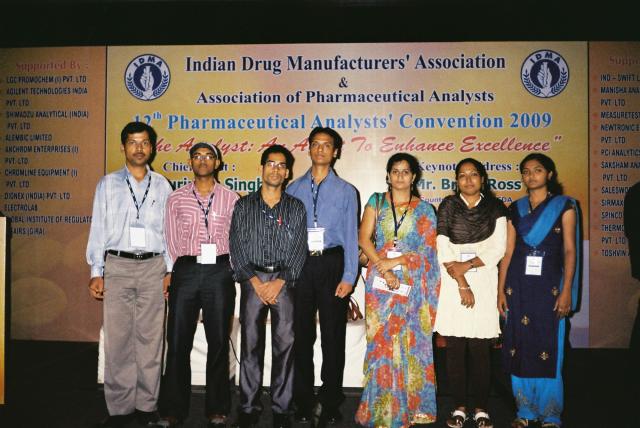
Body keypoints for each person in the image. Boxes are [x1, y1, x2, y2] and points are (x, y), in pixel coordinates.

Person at [86, 122, 173, 428]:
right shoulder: (107, 184)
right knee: (119, 340)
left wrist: (170, 269)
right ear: (123, 147)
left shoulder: (162, 185)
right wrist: (96, 271)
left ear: (152, 147)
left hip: (153, 267)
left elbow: (169, 232)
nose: (139, 148)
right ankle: (120, 409)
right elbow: (98, 229)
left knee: (151, 339)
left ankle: (147, 406)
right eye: (133, 142)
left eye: (144, 142)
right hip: (118, 267)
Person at [355, 153, 440, 427]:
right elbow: (363, 239)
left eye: (405, 171)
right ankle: (381, 409)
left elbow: (428, 252)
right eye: (395, 171)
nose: (400, 176)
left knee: (409, 343)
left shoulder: (425, 210)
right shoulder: (377, 201)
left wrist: (400, 261)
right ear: (388, 175)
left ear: (414, 176)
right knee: (381, 343)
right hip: (380, 284)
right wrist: (385, 267)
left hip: (412, 285)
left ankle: (412, 409)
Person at [158, 142, 239, 427]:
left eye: (208, 156)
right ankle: (172, 409)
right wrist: (172, 270)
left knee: (218, 340)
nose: (203, 160)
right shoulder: (176, 198)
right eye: (197, 156)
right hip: (187, 270)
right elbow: (169, 238)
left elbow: (237, 237)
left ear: (217, 162)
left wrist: (229, 269)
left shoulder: (231, 197)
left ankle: (217, 408)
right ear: (190, 162)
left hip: (219, 270)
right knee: (178, 339)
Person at [498, 153, 579, 428]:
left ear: (549, 174)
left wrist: (566, 291)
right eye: (526, 171)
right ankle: (525, 411)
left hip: (550, 288)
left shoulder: (564, 206)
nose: (531, 175)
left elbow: (570, 251)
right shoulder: (515, 208)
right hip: (518, 288)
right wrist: (500, 291)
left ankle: (550, 414)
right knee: (518, 347)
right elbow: (508, 253)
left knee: (548, 347)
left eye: (537, 170)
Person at [229, 145, 307, 428]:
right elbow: (236, 245)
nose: (275, 169)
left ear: (287, 173)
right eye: (270, 164)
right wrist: (254, 282)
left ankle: (281, 408)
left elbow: (300, 248)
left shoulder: (296, 207)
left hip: (284, 282)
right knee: (250, 344)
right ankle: (248, 406)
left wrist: (280, 281)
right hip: (252, 281)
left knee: (285, 345)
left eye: (281, 165)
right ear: (261, 168)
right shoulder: (244, 206)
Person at [286, 127, 358, 425]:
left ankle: (330, 400)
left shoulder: (347, 191)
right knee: (301, 336)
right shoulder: (293, 189)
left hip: (332, 264)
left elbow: (351, 237)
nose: (320, 149)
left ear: (335, 151)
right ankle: (303, 400)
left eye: (327, 145)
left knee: (333, 336)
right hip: (301, 264)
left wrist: (349, 276)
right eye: (315, 144)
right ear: (309, 149)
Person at [434, 158, 508, 428]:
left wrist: (467, 265)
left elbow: (498, 248)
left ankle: (481, 409)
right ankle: (459, 407)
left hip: (484, 282)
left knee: (480, 351)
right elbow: (443, 246)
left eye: (473, 174)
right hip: (453, 282)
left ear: (483, 179)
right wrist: (462, 281)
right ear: (456, 181)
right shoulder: (448, 206)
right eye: (462, 175)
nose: (468, 180)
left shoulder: (495, 208)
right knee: (454, 350)